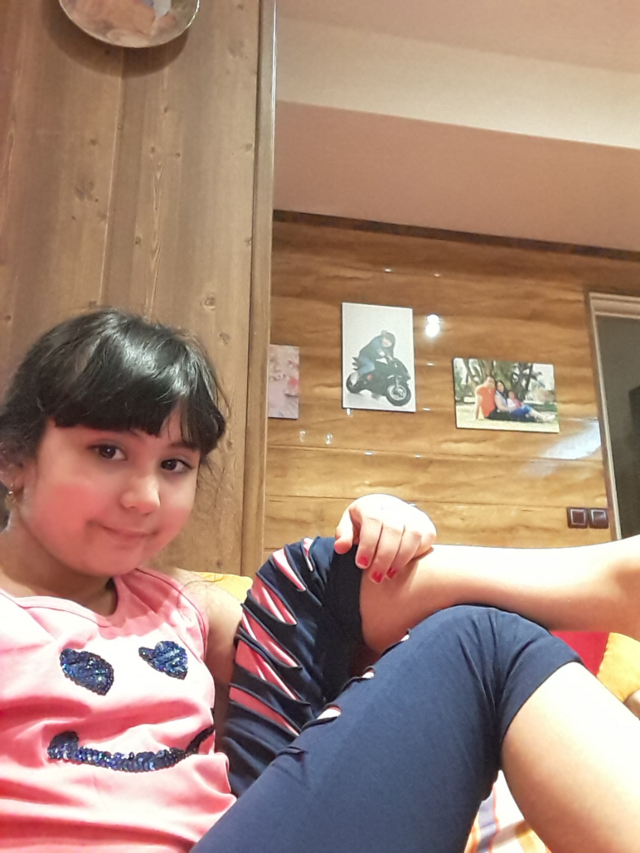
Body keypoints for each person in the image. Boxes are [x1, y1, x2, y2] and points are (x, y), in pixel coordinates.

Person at [1, 309, 639, 853]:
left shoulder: (175, 605)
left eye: (174, 464)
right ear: (13, 457)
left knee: (321, 585)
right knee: (479, 645)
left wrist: (381, 532)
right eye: (108, 451)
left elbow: (341, 660)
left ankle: (609, 583)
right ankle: (609, 581)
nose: (145, 497)